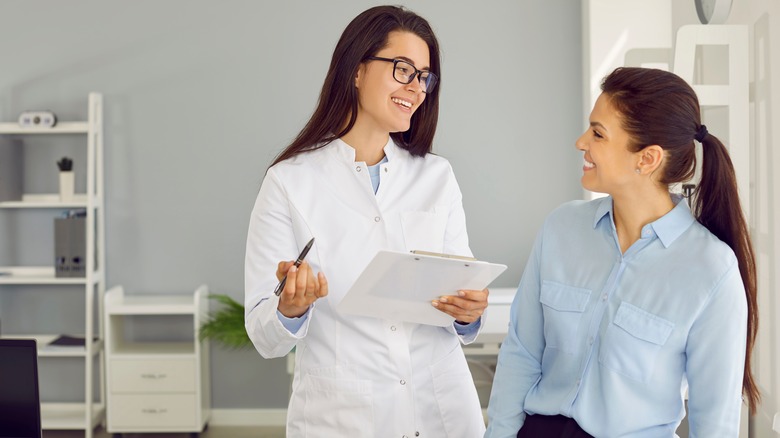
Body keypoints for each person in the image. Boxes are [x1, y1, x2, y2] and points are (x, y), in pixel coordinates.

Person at [244, 5, 488, 437]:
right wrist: (291, 308)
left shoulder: (437, 176)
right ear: (356, 70)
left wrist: (468, 313)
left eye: (425, 76)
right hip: (343, 415)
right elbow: (264, 335)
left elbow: (461, 293)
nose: (416, 88)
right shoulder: (289, 182)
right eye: (403, 69)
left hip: (440, 407)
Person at [485, 67, 759, 437]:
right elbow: (522, 353)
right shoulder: (561, 228)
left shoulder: (711, 269)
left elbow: (715, 422)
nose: (581, 142)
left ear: (647, 159)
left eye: (598, 133)